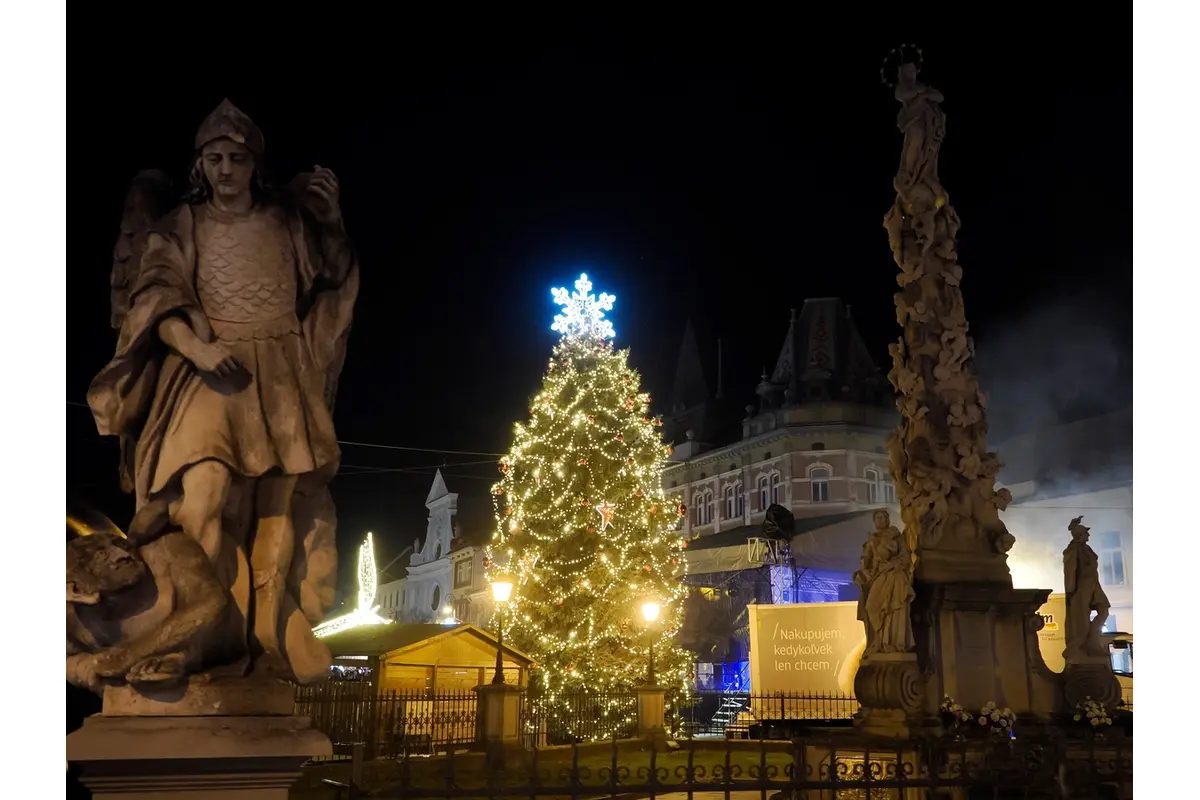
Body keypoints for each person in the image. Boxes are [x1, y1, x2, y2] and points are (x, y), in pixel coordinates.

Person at [87, 100, 359, 682]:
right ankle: (188, 637)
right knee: (201, 497)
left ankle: (260, 639)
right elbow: (155, 299)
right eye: (215, 158)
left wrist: (330, 218)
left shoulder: (286, 221)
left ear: (253, 164)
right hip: (207, 371)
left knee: (274, 510)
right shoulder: (181, 224)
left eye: (237, 158)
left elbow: (331, 276)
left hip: (279, 370)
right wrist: (197, 347)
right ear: (201, 166)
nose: (226, 169)